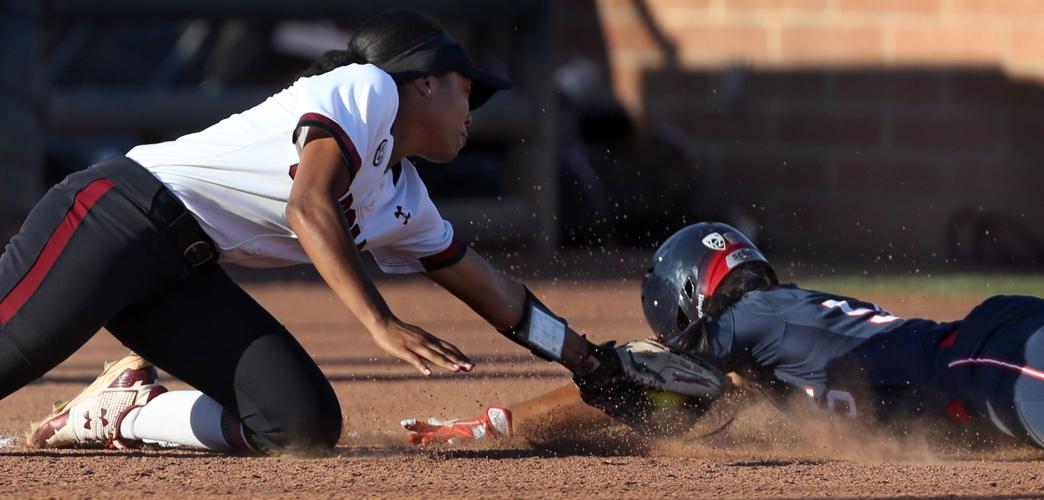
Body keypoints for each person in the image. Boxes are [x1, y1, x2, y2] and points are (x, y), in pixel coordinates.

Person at [1, 10, 622, 455]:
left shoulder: (402, 197)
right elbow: (309, 206)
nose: (472, 109)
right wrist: (381, 322)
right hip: (113, 217)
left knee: (296, 425)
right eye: (468, 89)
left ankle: (129, 412)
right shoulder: (367, 86)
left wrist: (593, 363)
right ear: (423, 79)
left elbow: (497, 294)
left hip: (179, 272)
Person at [402, 222, 1044, 450]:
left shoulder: (749, 320)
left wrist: (495, 422)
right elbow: (645, 402)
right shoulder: (765, 342)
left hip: (986, 363)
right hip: (991, 359)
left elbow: (630, 369)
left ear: (686, 302)